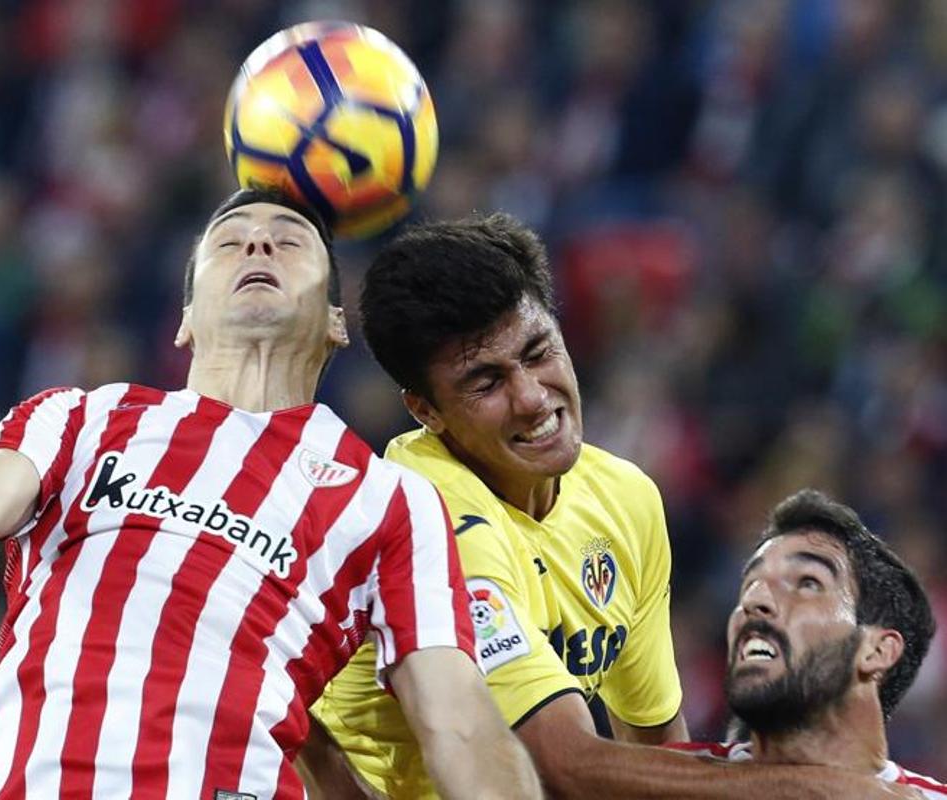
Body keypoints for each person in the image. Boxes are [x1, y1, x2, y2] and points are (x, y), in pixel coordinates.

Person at [0, 188, 540, 800]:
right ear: (184, 318)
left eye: (290, 239)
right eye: (230, 239)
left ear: (336, 322)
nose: (259, 242)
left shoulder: (388, 498)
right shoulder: (86, 418)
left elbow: (462, 725)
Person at [306, 213, 922, 799]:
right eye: (486, 382)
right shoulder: (426, 512)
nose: (531, 398)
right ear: (426, 411)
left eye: (537, 352)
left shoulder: (625, 498)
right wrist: (819, 788)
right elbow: (562, 766)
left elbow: (655, 748)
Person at [670, 488, 945, 796]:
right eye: (749, 584)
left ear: (877, 651)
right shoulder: (654, 781)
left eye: (808, 583)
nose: (754, 600)